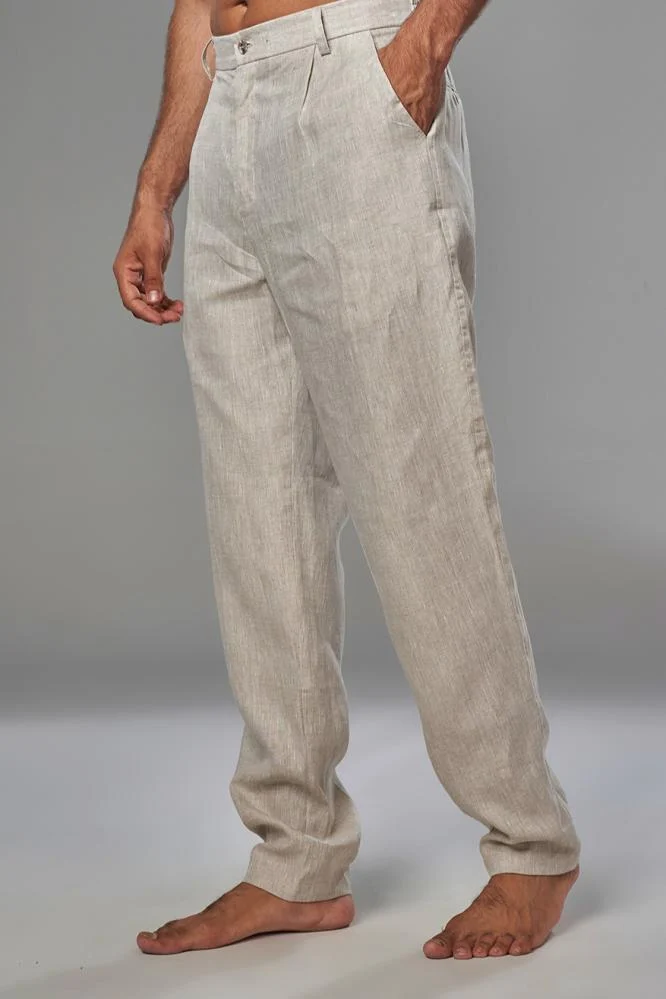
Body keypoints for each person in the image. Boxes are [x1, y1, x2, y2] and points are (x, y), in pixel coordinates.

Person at [113, 0, 581, 962]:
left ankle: (532, 845)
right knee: (260, 514)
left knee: (421, 496)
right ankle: (296, 857)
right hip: (231, 107)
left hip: (355, 85)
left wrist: (424, 46)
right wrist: (158, 187)